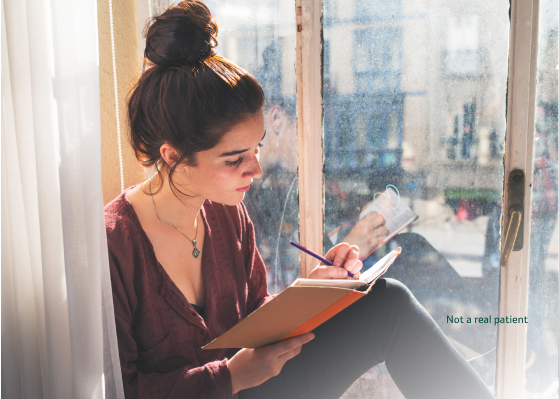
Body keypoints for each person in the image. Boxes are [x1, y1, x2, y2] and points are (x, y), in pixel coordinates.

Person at [105, 2, 496, 398]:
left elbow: (256, 315)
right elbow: (120, 389)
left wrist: (312, 295)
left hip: (257, 388)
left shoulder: (226, 215)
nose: (255, 170)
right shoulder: (116, 245)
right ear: (173, 156)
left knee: (386, 300)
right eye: (234, 159)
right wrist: (230, 377)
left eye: (255, 149)